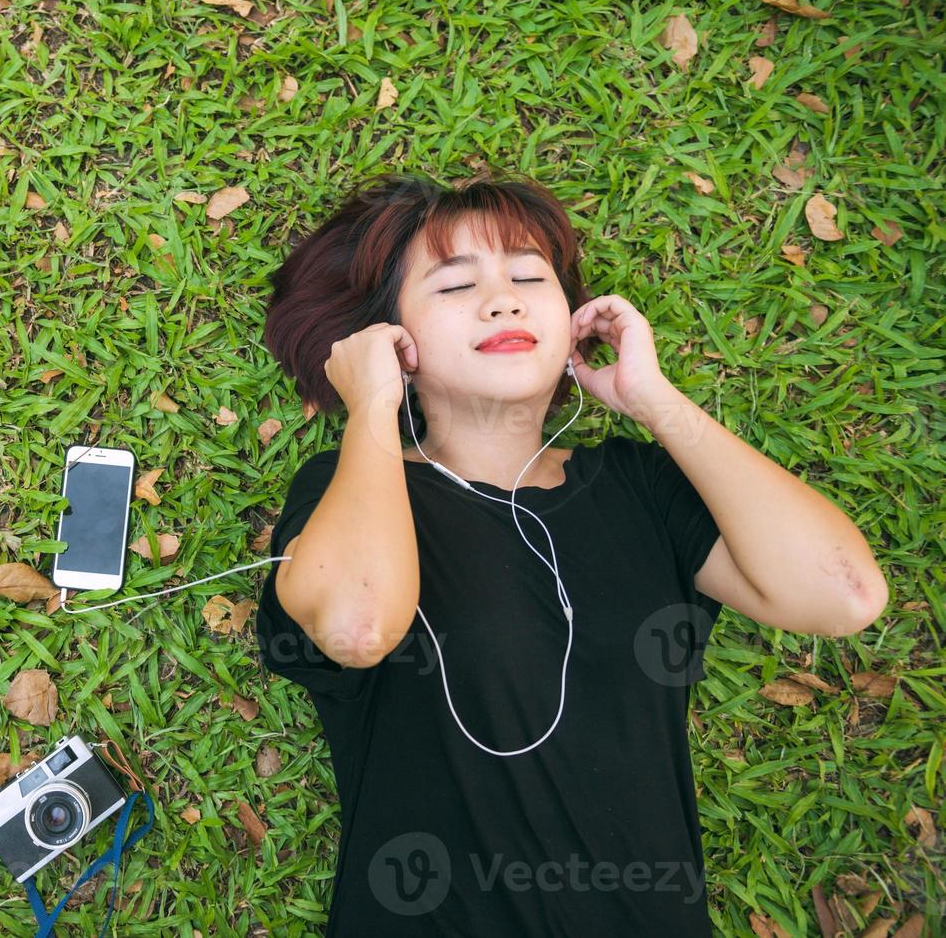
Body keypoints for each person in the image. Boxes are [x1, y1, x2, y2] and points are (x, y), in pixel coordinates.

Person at [256, 170, 888, 934]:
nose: (504, 299)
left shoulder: (640, 488)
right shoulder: (348, 488)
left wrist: (655, 401)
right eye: (456, 288)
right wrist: (372, 408)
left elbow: (846, 595)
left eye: (529, 275)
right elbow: (355, 627)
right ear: (395, 343)